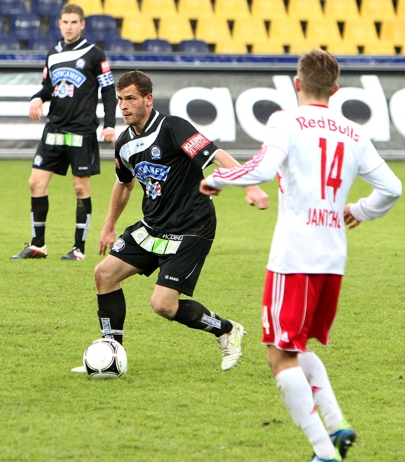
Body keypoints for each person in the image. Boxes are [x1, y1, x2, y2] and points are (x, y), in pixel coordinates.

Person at [201, 50, 402, 461]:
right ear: (336, 89)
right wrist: (360, 210)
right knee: (298, 346)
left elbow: (260, 167)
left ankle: (323, 452)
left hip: (294, 257)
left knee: (279, 354)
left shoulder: (286, 120)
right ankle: (337, 426)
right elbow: (393, 188)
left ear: (297, 84)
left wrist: (217, 178)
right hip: (333, 258)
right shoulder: (354, 132)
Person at [72, 70, 270, 373]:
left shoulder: (173, 127)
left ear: (148, 100)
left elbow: (216, 155)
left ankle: (227, 330)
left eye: (131, 99)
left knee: (163, 305)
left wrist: (251, 185)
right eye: (120, 100)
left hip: (192, 227)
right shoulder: (124, 142)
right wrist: (109, 224)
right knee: (104, 275)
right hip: (154, 226)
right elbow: (123, 184)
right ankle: (111, 354)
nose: (123, 106)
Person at [11, 3, 117, 261]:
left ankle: (78, 249)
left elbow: (108, 91)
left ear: (82, 25)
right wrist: (38, 98)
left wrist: (110, 124)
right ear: (59, 24)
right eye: (65, 22)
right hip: (54, 128)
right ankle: (38, 245)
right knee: (35, 183)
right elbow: (48, 87)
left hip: (82, 130)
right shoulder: (53, 53)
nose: (69, 27)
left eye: (74, 22)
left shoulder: (95, 54)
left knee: (81, 188)